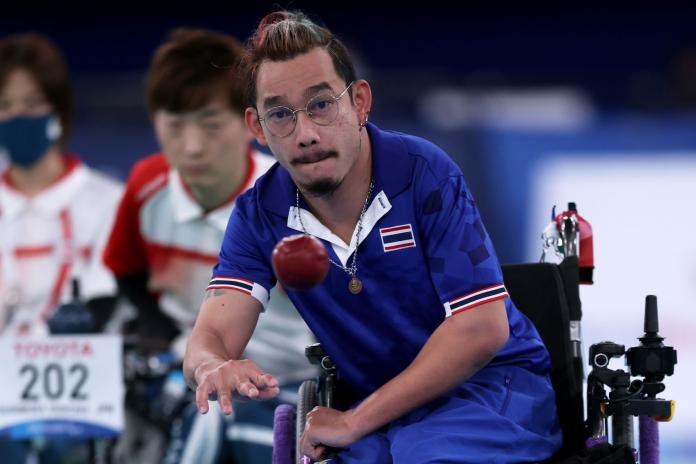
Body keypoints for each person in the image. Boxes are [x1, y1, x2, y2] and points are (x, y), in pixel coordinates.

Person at [184, 10, 562, 463]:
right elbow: (210, 334)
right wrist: (215, 365)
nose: (305, 134)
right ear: (257, 129)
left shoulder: (424, 173)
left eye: (321, 104)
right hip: (379, 408)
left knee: (422, 454)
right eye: (280, 114)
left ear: (359, 102)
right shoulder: (258, 215)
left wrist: (354, 421)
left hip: (491, 389)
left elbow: (481, 328)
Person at [102, 28, 315, 463]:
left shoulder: (293, 200)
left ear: (249, 123)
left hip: (292, 381)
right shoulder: (146, 187)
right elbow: (126, 274)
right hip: (188, 375)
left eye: (211, 125)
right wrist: (164, 339)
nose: (193, 147)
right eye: (175, 127)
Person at [0, 33, 122, 462]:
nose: (17, 116)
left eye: (31, 103)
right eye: (5, 105)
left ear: (58, 110)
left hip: (81, 402)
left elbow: (109, 307)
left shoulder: (107, 201)